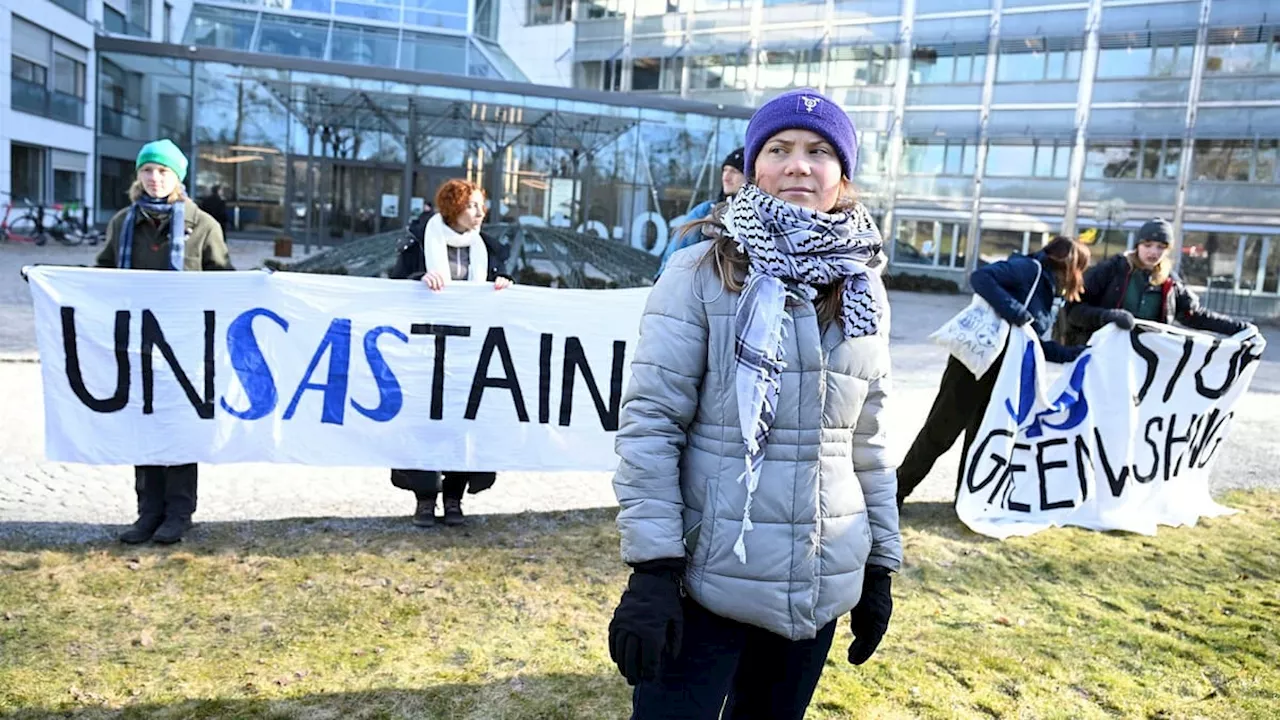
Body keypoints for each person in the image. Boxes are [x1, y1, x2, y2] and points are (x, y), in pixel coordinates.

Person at [607, 88, 901, 720]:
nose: (799, 164)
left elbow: (867, 443)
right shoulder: (697, 273)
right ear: (753, 167)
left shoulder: (864, 287)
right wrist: (654, 568)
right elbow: (651, 425)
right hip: (707, 581)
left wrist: (879, 564)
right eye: (780, 148)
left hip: (820, 583)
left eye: (819, 151)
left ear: (842, 175)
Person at [95, 139, 233, 544]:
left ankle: (178, 512)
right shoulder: (123, 223)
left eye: (163, 172)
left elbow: (224, 279)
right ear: (138, 176)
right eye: (147, 171)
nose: (154, 179)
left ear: (178, 177)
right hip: (136, 344)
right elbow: (100, 273)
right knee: (143, 427)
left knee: (177, 427)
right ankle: (147, 511)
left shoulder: (203, 225)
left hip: (185, 347)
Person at [895, 236, 1090, 508]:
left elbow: (1034, 343)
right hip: (974, 364)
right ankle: (897, 491)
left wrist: (1077, 355)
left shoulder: (1049, 291)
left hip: (1002, 372)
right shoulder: (1029, 270)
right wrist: (1016, 312)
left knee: (981, 437)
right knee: (940, 431)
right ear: (1069, 264)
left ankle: (966, 500)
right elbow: (981, 278)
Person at [388, 179, 512, 527]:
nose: (480, 212)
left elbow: (504, 282)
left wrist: (503, 284)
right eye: (472, 205)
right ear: (453, 208)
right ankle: (425, 498)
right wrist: (419, 279)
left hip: (471, 356)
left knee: (465, 421)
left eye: (480, 205)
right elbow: (395, 285)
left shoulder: (488, 248)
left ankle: (455, 495)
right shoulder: (417, 243)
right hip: (426, 353)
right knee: (425, 423)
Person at [1060, 218, 1257, 346]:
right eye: (1147, 245)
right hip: (1101, 352)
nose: (1153, 252)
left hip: (1145, 358)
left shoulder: (1170, 280)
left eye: (1161, 247)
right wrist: (1106, 316)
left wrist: (1239, 328)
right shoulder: (1112, 269)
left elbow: (1193, 315)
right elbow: (1073, 310)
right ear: (1137, 245)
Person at [654, 147, 746, 279]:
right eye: (725, 170)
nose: (726, 177)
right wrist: (663, 278)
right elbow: (679, 247)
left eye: (734, 171)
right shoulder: (706, 210)